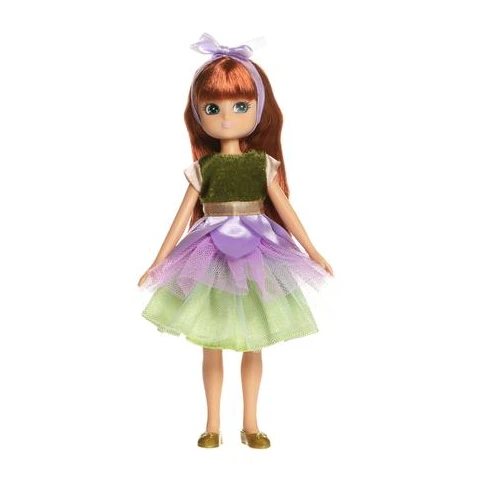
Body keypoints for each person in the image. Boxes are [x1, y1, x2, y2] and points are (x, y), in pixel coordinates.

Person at [138, 33, 334, 449]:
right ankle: (212, 425)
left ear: (259, 109)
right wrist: (158, 261)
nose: (226, 118)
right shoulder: (203, 168)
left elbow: (285, 210)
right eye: (213, 108)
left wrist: (312, 251)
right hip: (207, 253)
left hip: (258, 252)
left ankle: (251, 424)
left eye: (240, 106)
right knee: (209, 340)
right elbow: (180, 218)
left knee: (254, 341)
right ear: (198, 114)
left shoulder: (262, 164)